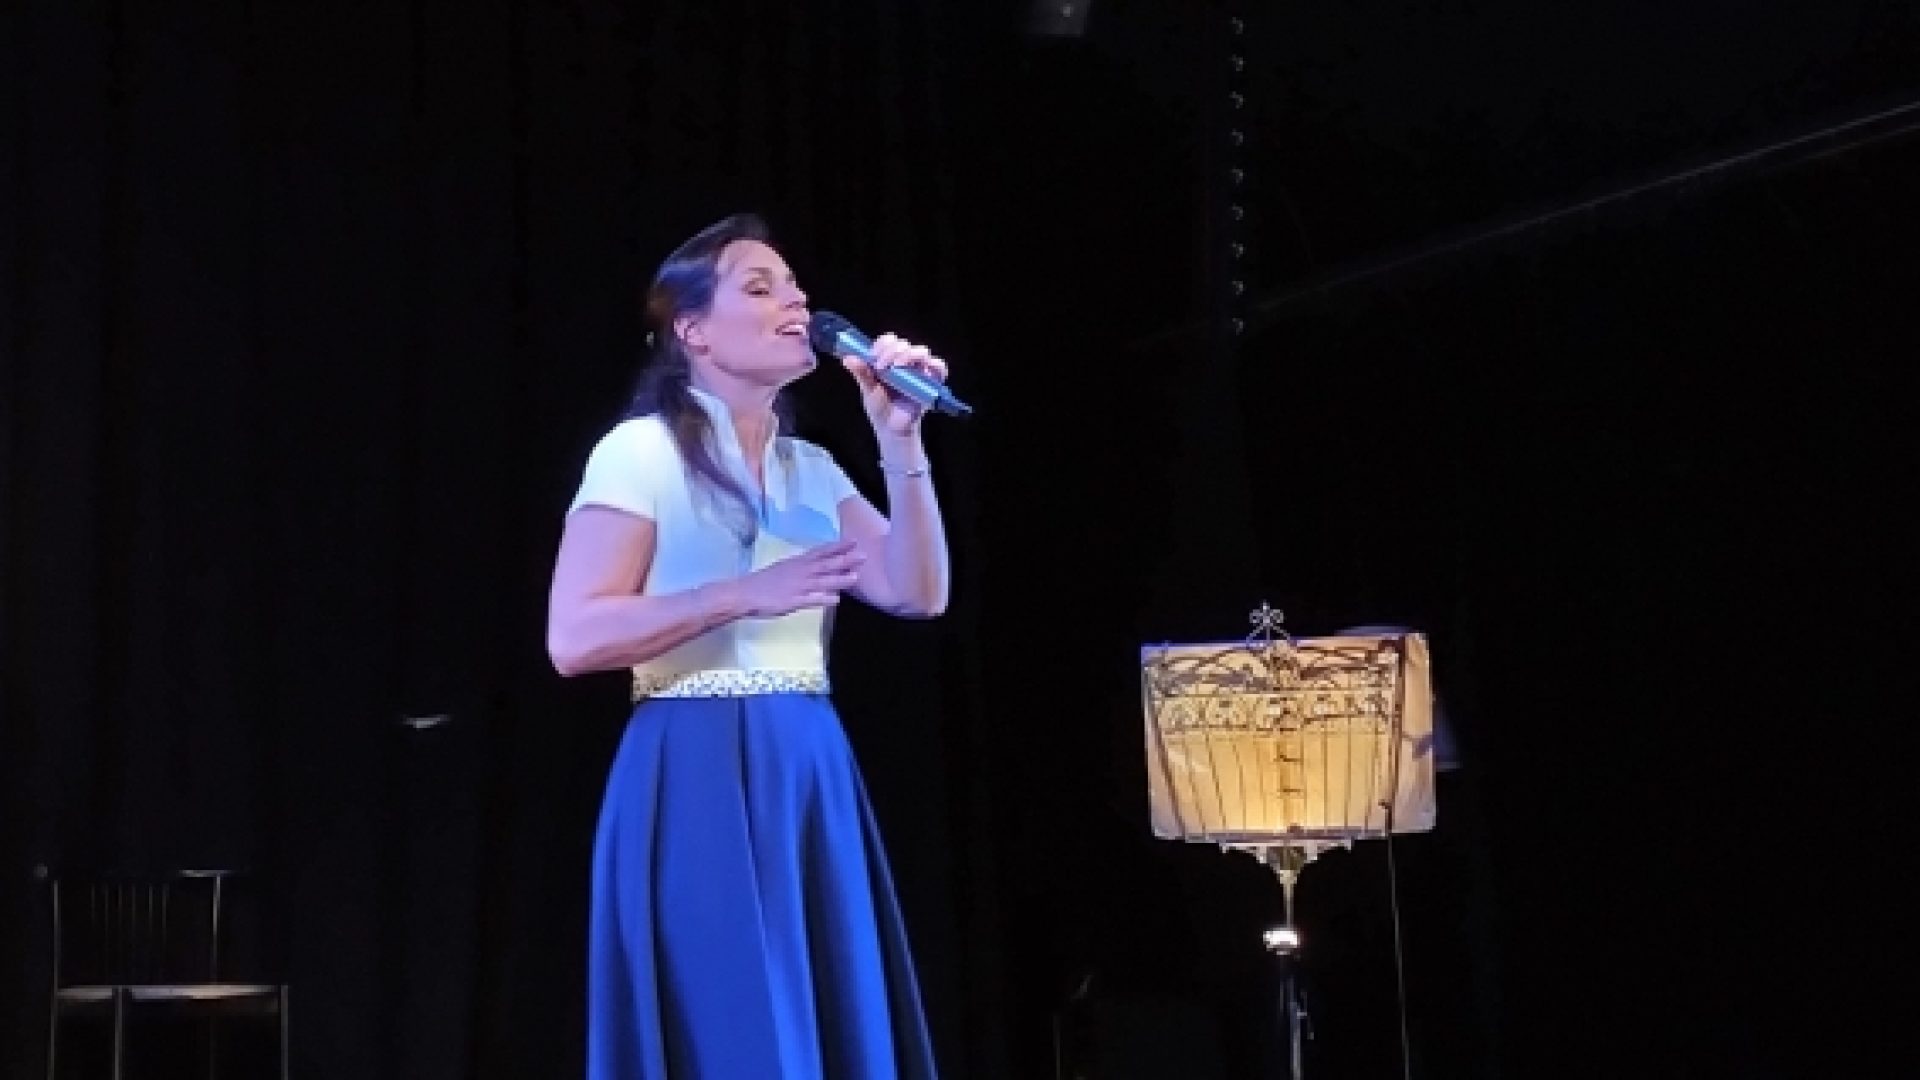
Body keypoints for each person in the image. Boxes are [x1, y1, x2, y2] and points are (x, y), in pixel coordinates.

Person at [546, 213, 951, 1079]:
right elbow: (574, 635)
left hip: (807, 760)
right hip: (692, 761)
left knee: (818, 1019)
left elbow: (915, 592)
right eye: (759, 287)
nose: (794, 300)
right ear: (692, 331)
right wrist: (738, 594)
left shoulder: (812, 470)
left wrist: (899, 441)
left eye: (795, 286)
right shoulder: (640, 452)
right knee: (733, 1028)